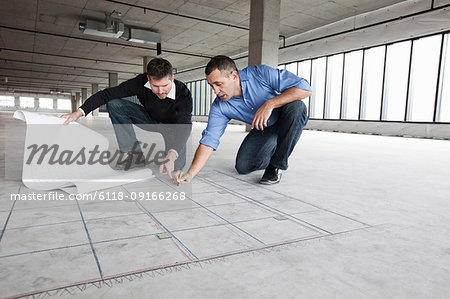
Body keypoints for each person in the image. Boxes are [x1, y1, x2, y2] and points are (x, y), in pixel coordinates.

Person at [174, 55, 311, 185]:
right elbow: (209, 140)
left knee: (297, 107)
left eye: (219, 84)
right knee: (243, 166)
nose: (215, 91)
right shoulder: (220, 106)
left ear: (234, 76)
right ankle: (275, 146)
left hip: (286, 118)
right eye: (211, 86)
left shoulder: (261, 74)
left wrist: (270, 104)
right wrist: (190, 173)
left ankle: (276, 165)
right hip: (263, 128)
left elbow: (305, 88)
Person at [61, 58, 192, 175]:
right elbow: (107, 94)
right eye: (155, 86)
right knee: (115, 104)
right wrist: (78, 113)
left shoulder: (183, 92)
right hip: (149, 120)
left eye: (165, 86)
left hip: (173, 127)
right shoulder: (140, 82)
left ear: (172, 78)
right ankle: (135, 156)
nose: (161, 91)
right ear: (148, 79)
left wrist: (172, 154)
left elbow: (185, 125)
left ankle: (172, 155)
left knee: (177, 166)